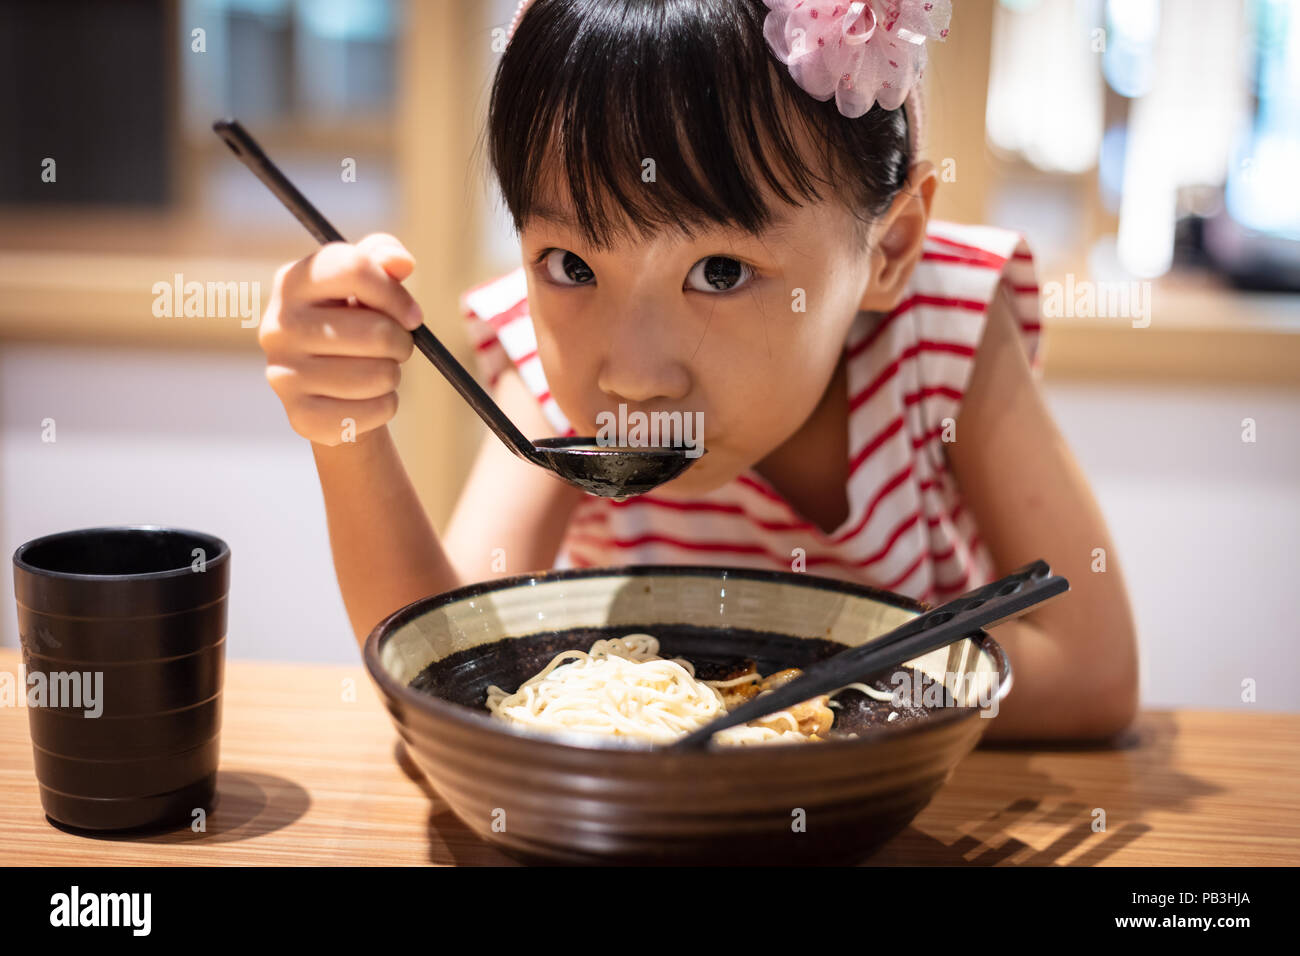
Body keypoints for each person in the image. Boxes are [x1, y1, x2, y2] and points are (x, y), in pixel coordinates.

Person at [258, 0, 1138, 741]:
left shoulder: (943, 327)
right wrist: (347, 433)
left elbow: (1093, 673)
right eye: (570, 264)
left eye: (719, 272)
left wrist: (783, 709)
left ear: (891, 247)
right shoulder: (543, 363)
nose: (634, 378)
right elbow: (447, 681)